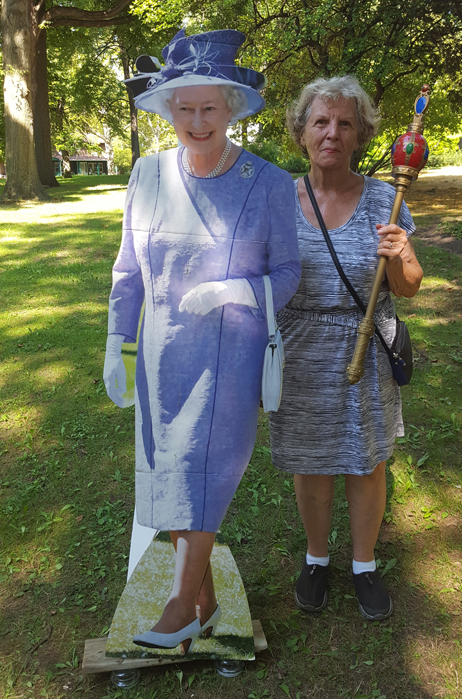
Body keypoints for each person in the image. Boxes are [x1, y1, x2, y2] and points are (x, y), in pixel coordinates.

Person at [103, 29, 300, 653]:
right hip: (163, 355)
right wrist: (118, 342)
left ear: (233, 109)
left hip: (230, 358)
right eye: (183, 107)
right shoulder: (147, 173)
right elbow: (128, 269)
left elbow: (290, 271)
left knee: (204, 471)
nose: (196, 120)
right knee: (171, 473)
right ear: (167, 111)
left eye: (209, 107)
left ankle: (180, 608)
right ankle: (207, 600)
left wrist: (239, 291)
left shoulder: (268, 183)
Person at [269, 75, 423, 621]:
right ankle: (316, 558)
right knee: (311, 462)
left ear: (359, 136)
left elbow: (408, 285)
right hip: (299, 343)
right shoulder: (277, 199)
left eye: (345, 123)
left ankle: (363, 564)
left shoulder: (387, 198)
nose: (332, 132)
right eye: (321, 122)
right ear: (302, 133)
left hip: (366, 345)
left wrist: (402, 252)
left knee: (365, 463)